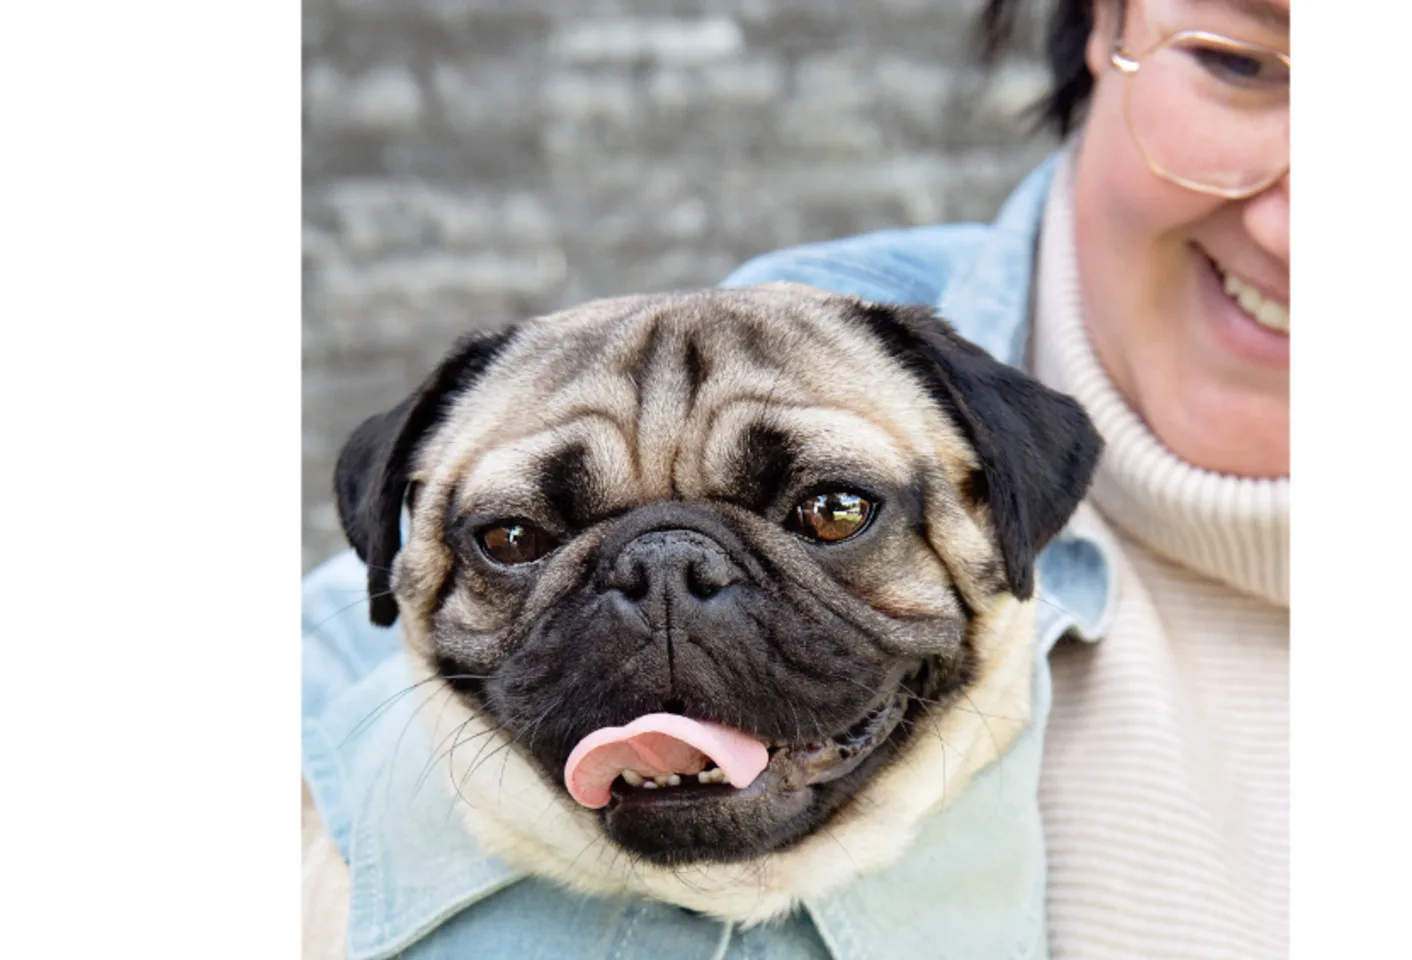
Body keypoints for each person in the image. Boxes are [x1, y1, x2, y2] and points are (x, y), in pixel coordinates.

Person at [302, 0, 1289, 955]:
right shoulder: (755, 355)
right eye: (517, 540)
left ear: (1014, 499)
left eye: (828, 513)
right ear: (1102, 20)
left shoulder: (900, 384)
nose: (666, 592)